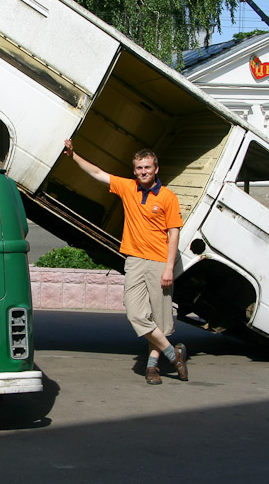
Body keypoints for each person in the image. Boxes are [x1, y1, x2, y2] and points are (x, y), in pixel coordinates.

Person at [62, 139, 188, 385]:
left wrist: (169, 268)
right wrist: (73, 155)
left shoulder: (168, 197)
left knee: (160, 320)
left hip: (159, 263)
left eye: (148, 168)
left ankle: (152, 366)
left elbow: (174, 233)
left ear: (156, 169)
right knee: (136, 314)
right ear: (134, 170)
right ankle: (174, 354)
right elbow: (98, 174)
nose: (143, 172)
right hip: (134, 261)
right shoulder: (128, 187)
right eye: (140, 168)